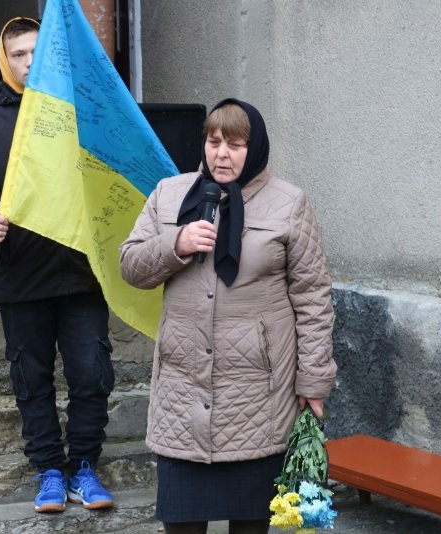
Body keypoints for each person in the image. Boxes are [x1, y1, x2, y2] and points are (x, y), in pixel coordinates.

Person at [119, 99, 337, 534]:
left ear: (254, 149)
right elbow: (131, 266)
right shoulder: (169, 194)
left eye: (235, 145)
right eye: (214, 141)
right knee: (182, 523)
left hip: (257, 396)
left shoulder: (288, 203)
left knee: (250, 524)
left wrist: (314, 381)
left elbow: (313, 298)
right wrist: (176, 243)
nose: (221, 154)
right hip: (182, 393)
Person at [0, 17, 115, 514]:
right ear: (5, 63)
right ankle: (48, 470)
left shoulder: (79, 116)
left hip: (81, 274)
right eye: (18, 55)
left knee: (91, 374)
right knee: (31, 380)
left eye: (36, 53)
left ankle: (84, 467)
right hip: (21, 275)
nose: (29, 63)